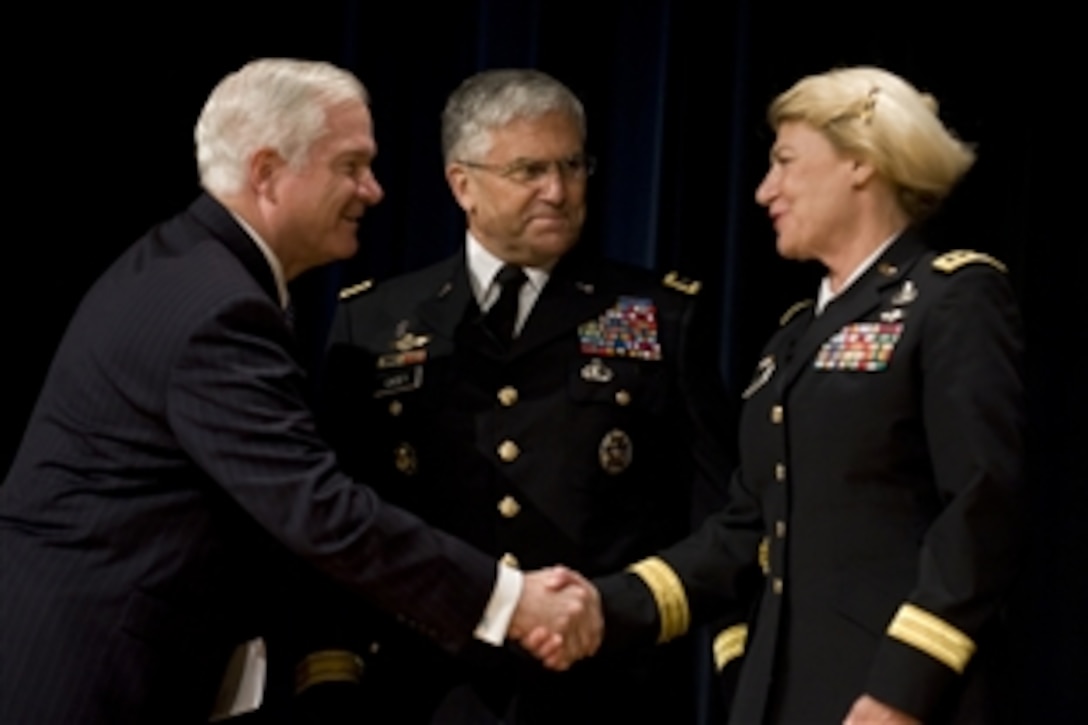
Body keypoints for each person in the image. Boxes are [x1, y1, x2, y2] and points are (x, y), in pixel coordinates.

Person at [0, 58, 601, 725]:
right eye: (350, 166)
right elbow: (320, 511)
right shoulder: (216, 309)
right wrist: (510, 600)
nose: (373, 190)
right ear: (266, 173)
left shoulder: (194, 268)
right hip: (94, 676)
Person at [582, 66, 1026, 724]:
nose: (765, 191)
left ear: (861, 162)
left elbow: (981, 506)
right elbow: (743, 531)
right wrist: (600, 604)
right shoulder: (795, 336)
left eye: (785, 162)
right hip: (781, 697)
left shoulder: (952, 297)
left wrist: (904, 690)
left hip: (894, 699)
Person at [311, 68, 734, 724]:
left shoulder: (659, 314)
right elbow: (332, 525)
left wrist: (622, 609)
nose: (559, 191)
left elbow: (721, 523)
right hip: (425, 694)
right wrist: (331, 679)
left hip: (610, 693)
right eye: (529, 170)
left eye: (572, 165)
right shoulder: (374, 322)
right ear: (463, 184)